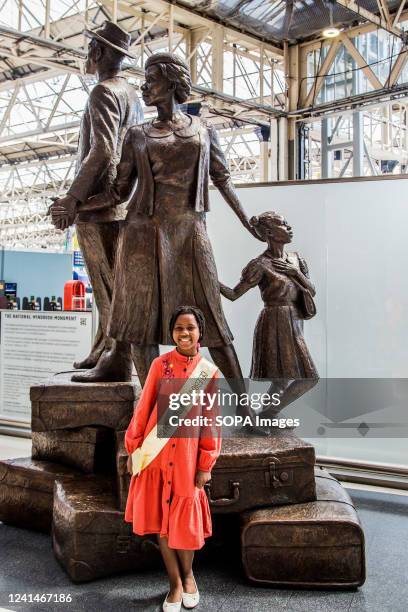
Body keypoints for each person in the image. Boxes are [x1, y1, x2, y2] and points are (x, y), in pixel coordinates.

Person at [76, 51, 259, 387]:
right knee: (139, 326)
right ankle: (154, 414)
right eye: (144, 81)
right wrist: (75, 206)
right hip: (142, 236)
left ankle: (246, 412)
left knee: (214, 327)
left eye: (152, 80)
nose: (145, 87)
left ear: (173, 82)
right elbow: (118, 193)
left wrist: (248, 221)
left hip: (190, 232)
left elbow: (223, 177)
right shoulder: (137, 134)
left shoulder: (203, 131)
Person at [49, 21, 143, 379]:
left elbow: (102, 149)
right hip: (118, 198)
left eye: (91, 47)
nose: (87, 54)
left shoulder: (103, 92)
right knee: (113, 283)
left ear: (100, 52)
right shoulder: (131, 94)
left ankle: (116, 360)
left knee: (107, 286)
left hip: (98, 202)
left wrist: (73, 198)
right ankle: (104, 349)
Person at [124, 306, 221, 611]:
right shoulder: (159, 365)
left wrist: (205, 464)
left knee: (184, 523)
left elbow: (211, 422)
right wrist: (134, 448)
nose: (184, 333)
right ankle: (174, 583)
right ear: (172, 333)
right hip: (155, 455)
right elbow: (144, 408)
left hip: (188, 460)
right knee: (162, 521)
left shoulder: (208, 373)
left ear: (199, 333)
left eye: (190, 328)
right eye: (179, 328)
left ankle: (189, 575)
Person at [220, 212, 318, 410]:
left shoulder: (296, 259)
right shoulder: (260, 264)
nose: (289, 227)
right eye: (283, 224)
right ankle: (269, 413)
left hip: (296, 319)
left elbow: (312, 291)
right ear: (269, 232)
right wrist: (210, 280)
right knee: (306, 378)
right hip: (276, 320)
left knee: (284, 379)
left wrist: (295, 272)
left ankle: (266, 414)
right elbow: (233, 294)